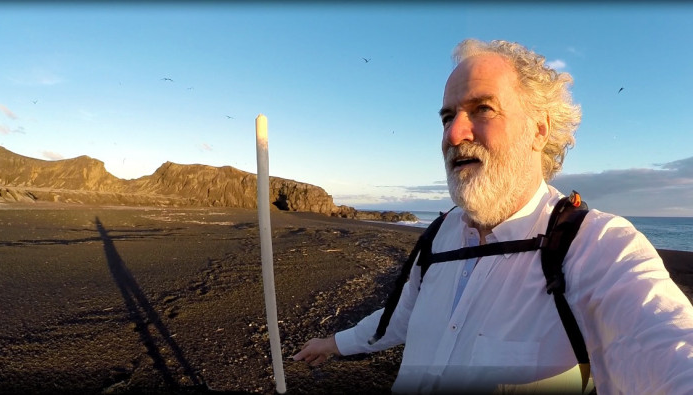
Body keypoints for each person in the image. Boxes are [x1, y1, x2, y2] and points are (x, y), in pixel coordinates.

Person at [293, 38, 693, 394]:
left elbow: (667, 343)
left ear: (539, 128)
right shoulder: (437, 236)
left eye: (482, 109)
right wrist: (335, 343)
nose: (453, 135)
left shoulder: (598, 248)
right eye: (448, 117)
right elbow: (402, 315)